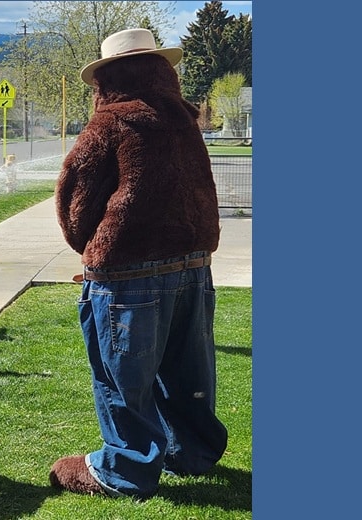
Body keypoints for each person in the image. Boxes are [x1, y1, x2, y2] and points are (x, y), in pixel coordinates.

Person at [49, 28, 228, 499]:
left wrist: (98, 249)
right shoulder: (186, 123)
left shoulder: (108, 125)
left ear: (106, 78)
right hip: (193, 267)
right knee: (187, 372)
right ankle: (190, 451)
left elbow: (73, 208)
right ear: (162, 71)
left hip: (129, 276)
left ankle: (123, 470)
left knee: (121, 380)